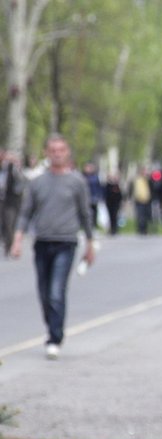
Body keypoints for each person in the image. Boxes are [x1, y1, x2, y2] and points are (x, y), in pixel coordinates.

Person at [9, 134, 95, 359]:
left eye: (61, 150)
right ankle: (52, 326)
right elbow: (26, 213)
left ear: (67, 153)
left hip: (66, 242)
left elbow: (85, 214)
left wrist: (90, 244)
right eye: (53, 150)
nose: (57, 154)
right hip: (43, 242)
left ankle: (54, 337)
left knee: (57, 291)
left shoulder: (77, 182)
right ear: (47, 153)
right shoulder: (38, 183)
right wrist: (17, 240)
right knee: (45, 293)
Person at [1, 150, 25, 257]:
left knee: (9, 223)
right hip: (3, 199)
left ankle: (9, 245)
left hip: (11, 201)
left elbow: (20, 184)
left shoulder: (14, 169)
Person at [130, 167, 153, 234]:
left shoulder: (148, 180)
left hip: (147, 199)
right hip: (138, 200)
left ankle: (145, 229)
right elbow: (131, 189)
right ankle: (140, 229)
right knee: (140, 215)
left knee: (146, 215)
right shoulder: (136, 180)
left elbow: (152, 188)